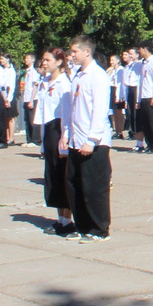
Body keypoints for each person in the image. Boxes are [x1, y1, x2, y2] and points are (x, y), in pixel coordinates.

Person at [63, 36, 114, 242]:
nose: (72, 55)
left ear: (86, 52)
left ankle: (99, 229)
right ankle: (83, 225)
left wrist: (91, 140)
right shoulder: (77, 75)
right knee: (75, 185)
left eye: (75, 52)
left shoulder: (98, 76)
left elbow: (100, 110)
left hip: (94, 142)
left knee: (94, 188)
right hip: (77, 139)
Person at [38, 48, 76, 235]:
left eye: (48, 60)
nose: (44, 63)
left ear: (59, 62)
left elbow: (67, 112)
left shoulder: (63, 82)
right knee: (52, 175)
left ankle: (67, 220)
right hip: (48, 129)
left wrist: (64, 136)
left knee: (62, 175)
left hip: (59, 129)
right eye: (43, 60)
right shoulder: (45, 82)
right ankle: (60, 218)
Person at [134, 43, 153, 154]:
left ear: (144, 49)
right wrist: (138, 99)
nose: (139, 52)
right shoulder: (144, 64)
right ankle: (150, 144)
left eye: (140, 49)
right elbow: (141, 82)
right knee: (145, 123)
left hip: (151, 96)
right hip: (143, 96)